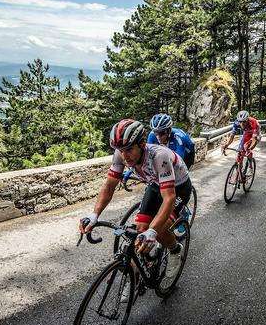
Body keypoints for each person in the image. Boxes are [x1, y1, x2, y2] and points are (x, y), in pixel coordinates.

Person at [80, 119, 191, 280]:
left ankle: (175, 250)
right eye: (120, 150)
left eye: (129, 149)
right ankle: (138, 271)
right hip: (155, 184)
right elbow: (109, 186)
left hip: (179, 187)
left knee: (159, 228)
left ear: (142, 144)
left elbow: (169, 198)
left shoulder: (160, 156)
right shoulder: (121, 154)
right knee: (139, 229)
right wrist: (94, 214)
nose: (124, 156)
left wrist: (152, 231)